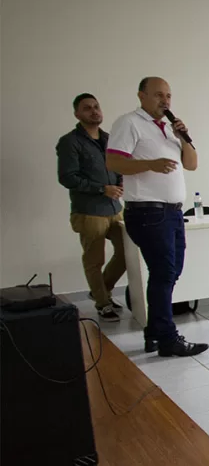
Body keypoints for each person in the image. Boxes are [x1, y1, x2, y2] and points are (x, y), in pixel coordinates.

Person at [104, 76, 207, 357]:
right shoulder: (129, 122)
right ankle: (167, 338)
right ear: (141, 96)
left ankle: (154, 333)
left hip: (172, 213)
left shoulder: (169, 129)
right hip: (148, 211)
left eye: (168, 95)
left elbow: (192, 164)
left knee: (170, 272)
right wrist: (151, 164)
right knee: (163, 273)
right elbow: (113, 162)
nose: (165, 100)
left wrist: (182, 137)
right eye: (158, 94)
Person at [57, 93, 126, 322]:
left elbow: (117, 166)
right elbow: (68, 177)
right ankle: (103, 303)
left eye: (96, 106)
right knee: (94, 260)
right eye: (87, 108)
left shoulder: (109, 139)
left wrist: (120, 181)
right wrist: (101, 189)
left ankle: (101, 290)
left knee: (127, 251)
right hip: (89, 211)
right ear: (77, 114)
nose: (94, 111)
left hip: (115, 207)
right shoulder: (70, 142)